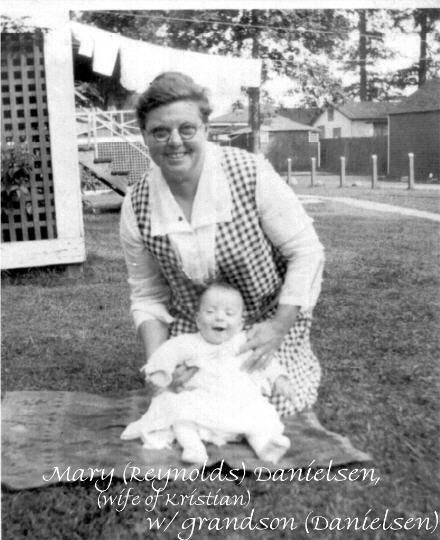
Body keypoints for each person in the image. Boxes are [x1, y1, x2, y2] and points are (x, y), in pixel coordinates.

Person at [120, 71, 325, 417]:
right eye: (159, 131)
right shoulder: (136, 203)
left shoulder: (249, 173)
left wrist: (278, 328)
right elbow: (147, 296)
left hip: (265, 321)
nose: (174, 141)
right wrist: (160, 366)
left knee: (268, 406)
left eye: (187, 129)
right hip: (196, 327)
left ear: (205, 129)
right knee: (184, 405)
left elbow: (306, 252)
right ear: (144, 135)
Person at [121, 282, 292, 464]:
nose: (219, 318)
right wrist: (160, 370)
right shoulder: (189, 342)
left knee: (258, 418)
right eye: (210, 312)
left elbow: (266, 361)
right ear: (198, 319)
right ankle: (193, 447)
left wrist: (280, 378)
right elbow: (167, 352)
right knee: (179, 412)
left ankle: (265, 448)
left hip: (240, 401)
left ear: (241, 322)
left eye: (229, 313)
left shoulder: (245, 342)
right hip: (200, 400)